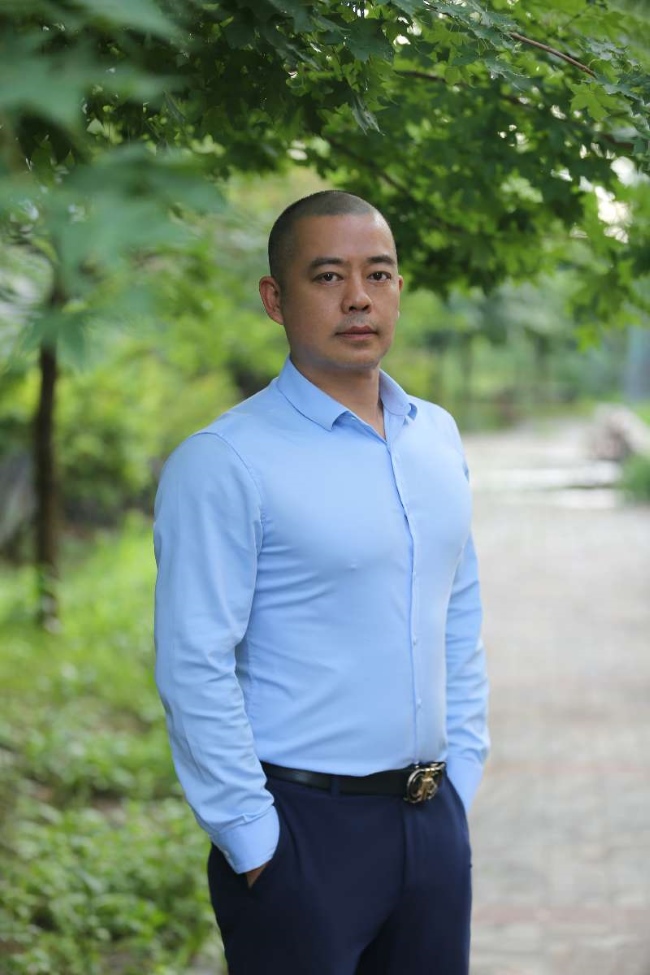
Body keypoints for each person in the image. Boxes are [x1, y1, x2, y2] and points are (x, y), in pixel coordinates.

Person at [153, 190, 490, 975]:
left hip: (431, 826)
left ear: (399, 288)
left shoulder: (436, 436)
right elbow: (194, 661)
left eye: (379, 273)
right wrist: (253, 838)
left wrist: (462, 775)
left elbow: (457, 612)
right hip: (302, 836)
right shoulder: (225, 460)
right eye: (329, 276)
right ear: (276, 298)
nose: (358, 297)